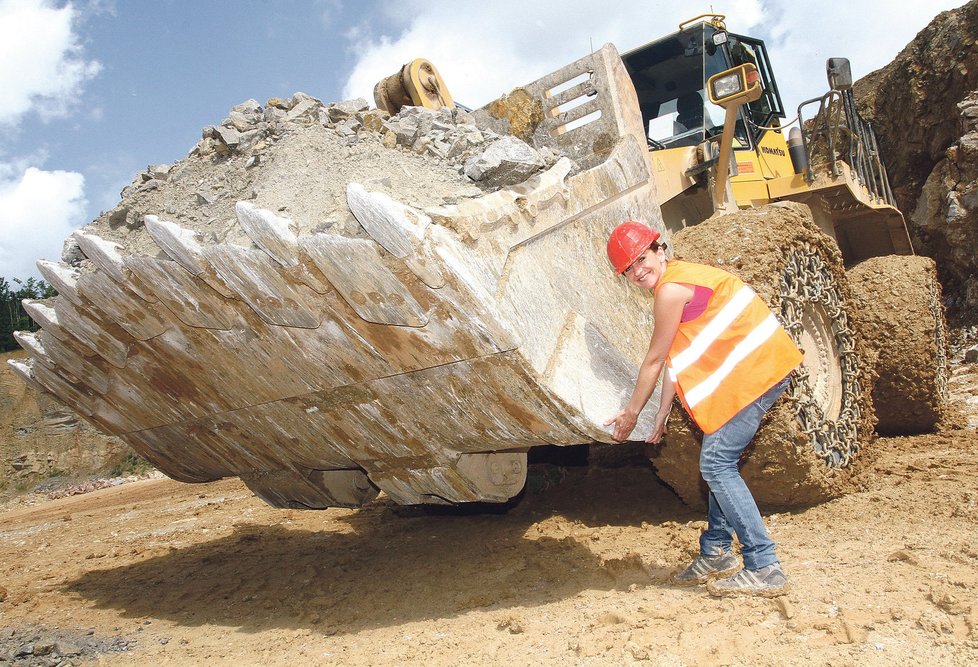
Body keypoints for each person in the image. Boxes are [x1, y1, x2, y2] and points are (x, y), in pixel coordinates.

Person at [603, 220, 803, 598]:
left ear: (660, 250)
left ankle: (764, 565)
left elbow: (654, 360)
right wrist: (661, 413)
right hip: (759, 370)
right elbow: (675, 359)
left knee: (715, 464)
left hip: (757, 373)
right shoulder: (679, 278)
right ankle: (716, 551)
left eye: (641, 259)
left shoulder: (670, 290)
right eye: (628, 268)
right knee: (718, 460)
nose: (637, 271)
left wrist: (631, 414)